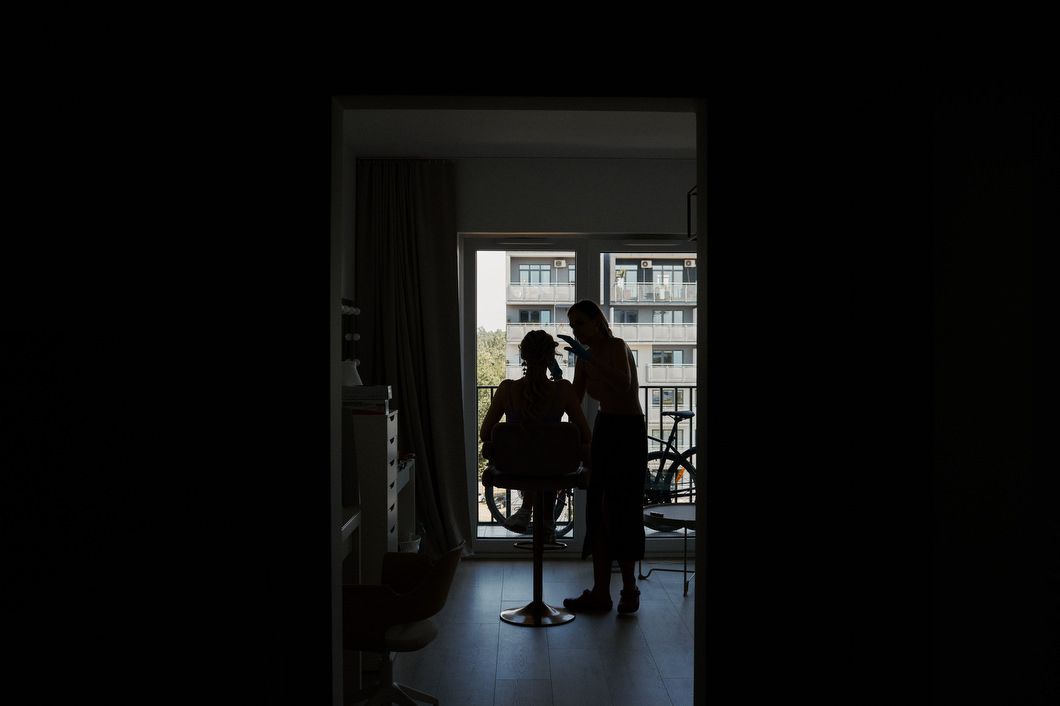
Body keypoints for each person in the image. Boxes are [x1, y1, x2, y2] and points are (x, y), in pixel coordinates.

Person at [559, 300, 647, 615]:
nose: (575, 331)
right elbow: (575, 398)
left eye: (580, 323)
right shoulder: (583, 358)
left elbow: (623, 383)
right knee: (598, 509)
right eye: (572, 326)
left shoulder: (616, 346)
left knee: (623, 508)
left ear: (597, 320)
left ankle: (629, 588)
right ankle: (600, 593)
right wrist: (556, 379)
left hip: (629, 430)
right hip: (605, 426)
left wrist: (587, 358)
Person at [480, 329, 592, 543]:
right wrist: (558, 378)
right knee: (547, 456)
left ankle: (526, 511)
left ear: (523, 356)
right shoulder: (563, 390)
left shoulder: (506, 389)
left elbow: (485, 433)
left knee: (535, 455)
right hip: (556, 470)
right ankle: (548, 524)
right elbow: (586, 435)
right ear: (551, 357)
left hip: (514, 468)